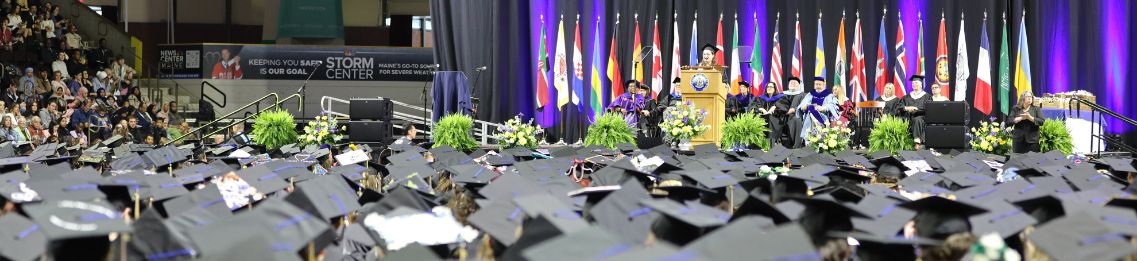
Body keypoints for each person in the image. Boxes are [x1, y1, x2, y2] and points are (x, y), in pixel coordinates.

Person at [796, 77, 839, 144]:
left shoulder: (828, 95)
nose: (818, 86)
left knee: (822, 138)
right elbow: (803, 104)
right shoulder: (810, 94)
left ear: (824, 85)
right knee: (809, 135)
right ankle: (809, 145)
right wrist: (803, 107)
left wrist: (823, 108)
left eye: (820, 84)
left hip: (823, 117)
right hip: (809, 119)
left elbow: (832, 106)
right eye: (816, 84)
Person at [898, 75, 931, 143]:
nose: (914, 84)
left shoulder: (927, 96)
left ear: (921, 84)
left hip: (921, 118)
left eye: (916, 82)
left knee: (917, 119)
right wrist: (906, 108)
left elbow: (929, 109)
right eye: (913, 83)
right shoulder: (907, 96)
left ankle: (917, 140)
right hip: (908, 117)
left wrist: (916, 109)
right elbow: (899, 106)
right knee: (899, 119)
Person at [777, 77, 806, 148]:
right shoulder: (781, 94)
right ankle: (774, 144)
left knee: (797, 120)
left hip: (795, 114)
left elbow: (804, 106)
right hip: (781, 114)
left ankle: (795, 145)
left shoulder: (803, 95)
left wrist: (794, 110)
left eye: (795, 82)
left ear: (799, 85)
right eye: (791, 82)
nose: (793, 83)